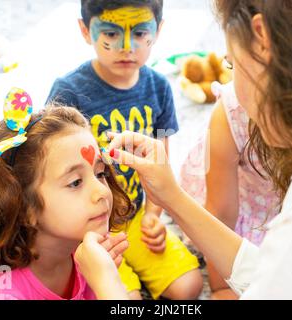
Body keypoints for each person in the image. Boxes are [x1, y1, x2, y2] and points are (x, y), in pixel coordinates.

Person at [105, 0, 292, 299]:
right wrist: (171, 197)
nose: (231, 89)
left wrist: (109, 290)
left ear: (261, 40)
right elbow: (271, 274)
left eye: (232, 65)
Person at [46, 0, 202, 300]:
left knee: (189, 288)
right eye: (112, 34)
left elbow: (160, 163)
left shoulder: (159, 88)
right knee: (125, 301)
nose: (127, 47)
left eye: (141, 33)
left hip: (136, 214)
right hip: (90, 225)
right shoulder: (67, 92)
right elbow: (53, 174)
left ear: (159, 30)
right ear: (85, 30)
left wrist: (153, 216)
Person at [0, 89, 132, 300]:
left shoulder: (87, 258)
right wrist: (106, 282)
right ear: (22, 206)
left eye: (100, 173)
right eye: (75, 182)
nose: (102, 191)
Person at [180, 81, 279, 300]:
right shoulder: (232, 110)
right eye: (228, 64)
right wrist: (221, 287)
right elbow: (220, 211)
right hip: (243, 201)